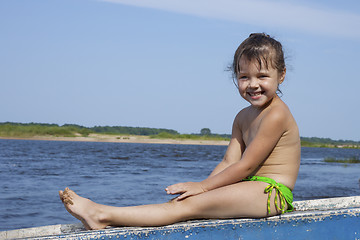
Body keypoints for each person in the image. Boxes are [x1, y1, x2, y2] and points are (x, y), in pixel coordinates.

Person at [59, 33, 301, 230]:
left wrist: (203, 187)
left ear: (281, 75)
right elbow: (229, 160)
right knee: (183, 202)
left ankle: (100, 214)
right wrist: (201, 187)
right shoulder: (242, 117)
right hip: (251, 188)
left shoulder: (276, 114)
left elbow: (246, 166)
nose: (253, 84)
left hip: (272, 193)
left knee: (187, 206)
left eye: (262, 76)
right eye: (244, 77)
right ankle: (106, 215)